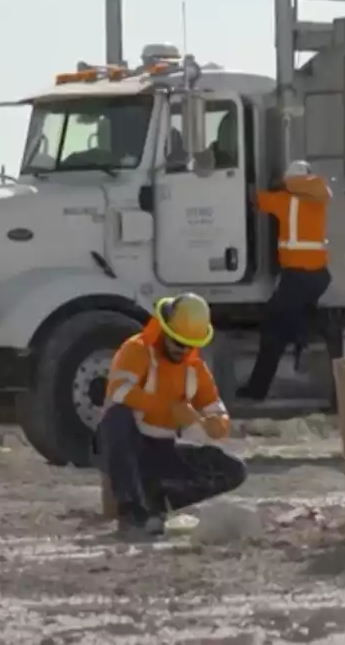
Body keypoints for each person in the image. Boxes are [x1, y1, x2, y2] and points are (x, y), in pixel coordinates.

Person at [98, 292, 248, 539]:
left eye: (191, 345)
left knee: (233, 470)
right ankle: (132, 515)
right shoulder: (136, 350)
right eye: (179, 342)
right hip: (126, 446)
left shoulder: (196, 370)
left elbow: (219, 416)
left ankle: (155, 502)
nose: (184, 350)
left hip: (163, 449)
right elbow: (119, 393)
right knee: (117, 416)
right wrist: (167, 408)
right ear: (165, 330)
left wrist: (203, 424)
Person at [236, 159, 332, 401]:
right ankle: (304, 337)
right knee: (289, 323)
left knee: (273, 329)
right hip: (317, 276)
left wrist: (268, 185)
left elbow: (255, 199)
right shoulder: (318, 200)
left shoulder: (284, 201)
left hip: (297, 278)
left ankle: (257, 389)